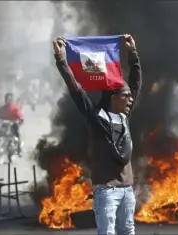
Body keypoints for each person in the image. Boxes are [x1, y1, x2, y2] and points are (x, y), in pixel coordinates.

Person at [53, 34, 141, 235]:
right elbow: (75, 89)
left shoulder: (124, 117)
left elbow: (136, 84)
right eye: (125, 96)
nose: (130, 100)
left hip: (127, 189)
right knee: (107, 232)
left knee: (128, 230)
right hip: (106, 191)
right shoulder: (97, 119)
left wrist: (132, 53)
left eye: (130, 97)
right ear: (113, 98)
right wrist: (61, 59)